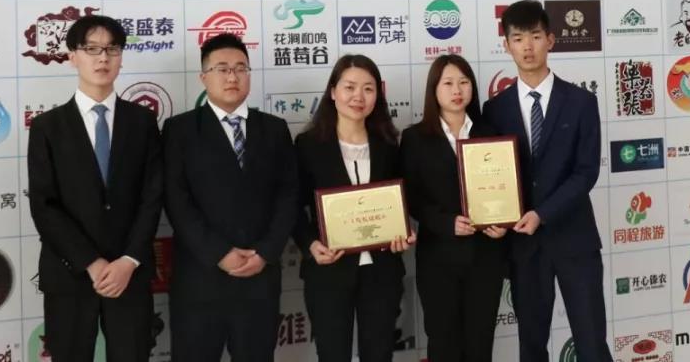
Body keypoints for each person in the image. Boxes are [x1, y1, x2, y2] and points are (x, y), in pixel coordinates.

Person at [27, 14, 163, 362]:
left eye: (112, 49)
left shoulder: (143, 122)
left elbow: (152, 197)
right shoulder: (47, 127)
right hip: (70, 275)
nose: (103, 58)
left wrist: (128, 260)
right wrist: (90, 262)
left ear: (121, 57)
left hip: (129, 274)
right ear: (72, 56)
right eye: (92, 49)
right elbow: (44, 205)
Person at [482, 0, 611, 362]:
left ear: (551, 40)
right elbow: (490, 176)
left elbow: (586, 172)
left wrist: (543, 213)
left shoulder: (582, 102)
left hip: (575, 240)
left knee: (592, 343)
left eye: (535, 36)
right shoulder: (495, 110)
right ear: (506, 45)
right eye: (518, 38)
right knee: (532, 345)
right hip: (525, 247)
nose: (527, 46)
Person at [163, 33, 297, 361]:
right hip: (200, 279)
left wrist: (265, 252)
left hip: (259, 277)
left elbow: (288, 196)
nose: (232, 77)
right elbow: (176, 200)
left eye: (240, 68)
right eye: (222, 69)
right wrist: (218, 253)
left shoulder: (274, 129)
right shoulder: (179, 130)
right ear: (203, 77)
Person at [293, 54, 414, 362]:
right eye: (349, 87)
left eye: (368, 89)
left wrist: (404, 232)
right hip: (329, 272)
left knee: (380, 354)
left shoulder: (389, 144)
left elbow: (401, 200)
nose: (358, 96)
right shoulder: (308, 145)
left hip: (381, 272)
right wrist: (311, 244)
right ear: (333, 92)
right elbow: (292, 207)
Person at [401, 54, 507, 362]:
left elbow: (506, 188)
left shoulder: (491, 133)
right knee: (443, 342)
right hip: (439, 258)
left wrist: (504, 222)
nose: (457, 90)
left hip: (485, 256)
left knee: (480, 343)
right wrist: (445, 222)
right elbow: (411, 197)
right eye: (447, 83)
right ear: (434, 90)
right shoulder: (415, 138)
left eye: (463, 82)